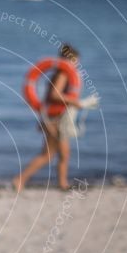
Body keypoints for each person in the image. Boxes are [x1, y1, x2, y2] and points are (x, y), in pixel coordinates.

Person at [13, 44, 84, 192]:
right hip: (55, 120)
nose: (77, 65)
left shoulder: (58, 74)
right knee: (48, 154)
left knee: (64, 154)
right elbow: (54, 95)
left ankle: (63, 184)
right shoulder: (62, 74)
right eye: (75, 61)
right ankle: (20, 179)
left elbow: (47, 99)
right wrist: (74, 102)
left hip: (56, 118)